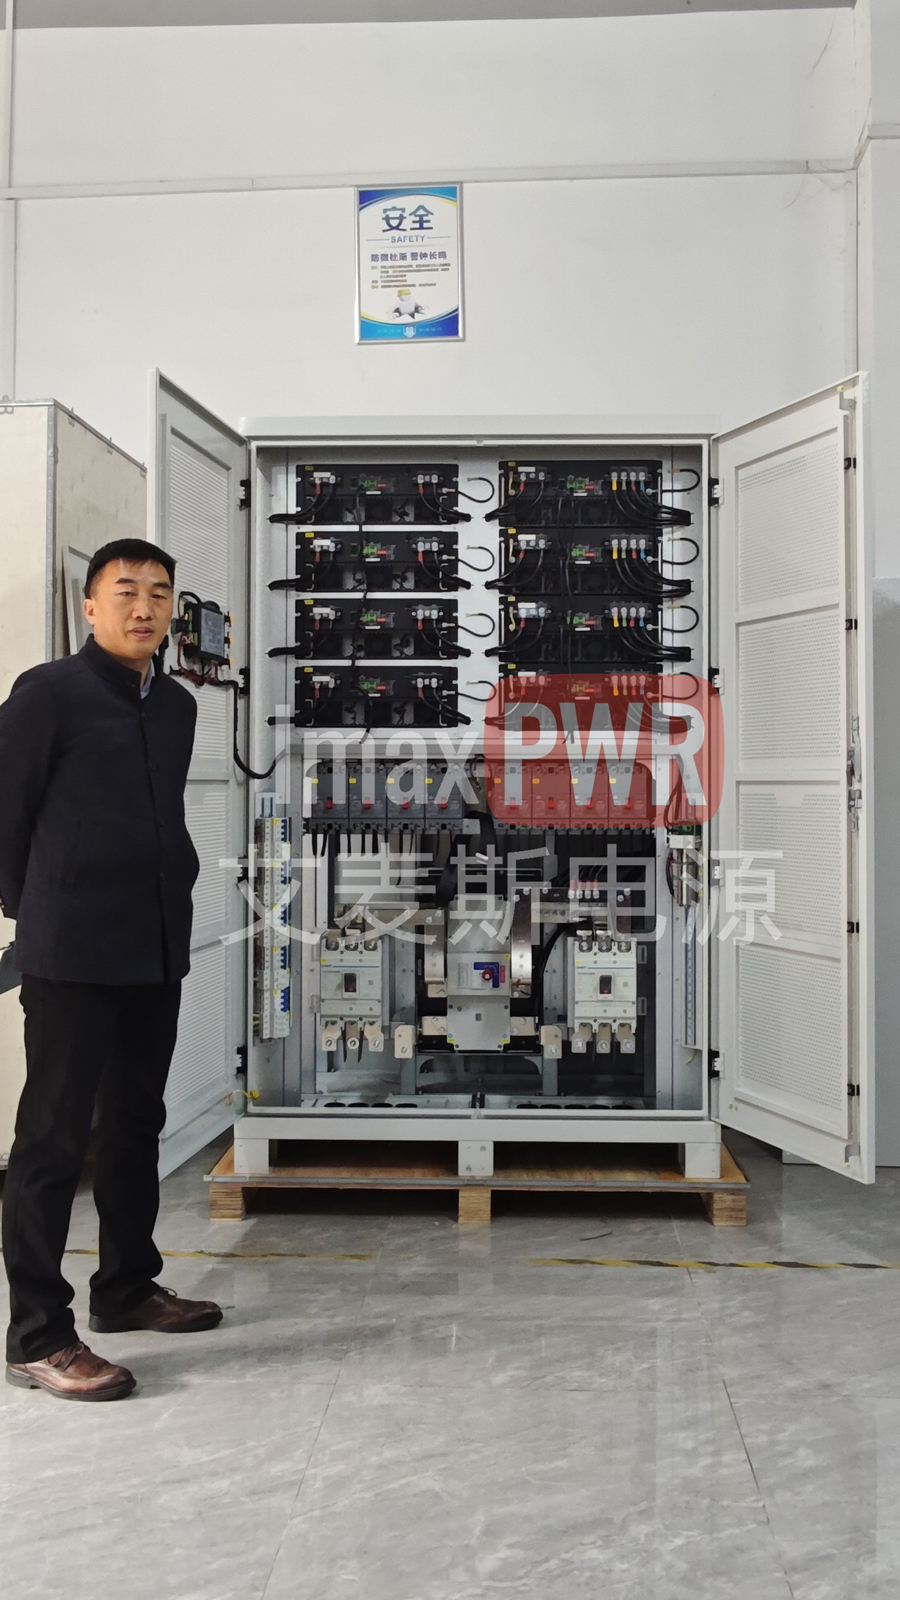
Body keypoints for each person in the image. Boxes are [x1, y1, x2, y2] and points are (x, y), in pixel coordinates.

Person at [0, 539, 222, 1402]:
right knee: (52, 1140)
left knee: (134, 1124)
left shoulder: (176, 705)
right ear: (90, 605)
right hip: (71, 950)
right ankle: (38, 1335)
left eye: (159, 594)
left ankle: (126, 1287)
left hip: (152, 943)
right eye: (125, 591)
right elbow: (6, 813)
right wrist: (36, 907)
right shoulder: (47, 693)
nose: (144, 607)